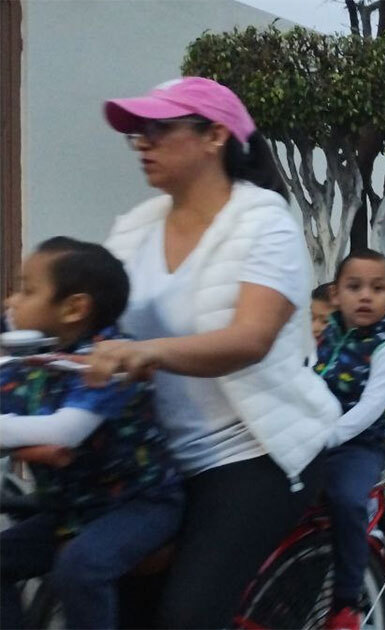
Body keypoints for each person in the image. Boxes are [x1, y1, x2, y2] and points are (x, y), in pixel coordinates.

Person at [92, 77, 339, 627]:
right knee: (97, 584)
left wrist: (145, 353)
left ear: (215, 135)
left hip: (252, 455)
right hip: (155, 458)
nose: (142, 142)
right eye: (136, 132)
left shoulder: (264, 221)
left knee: (187, 615)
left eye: (158, 128)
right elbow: (92, 317)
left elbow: (250, 339)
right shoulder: (133, 228)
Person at [0, 238, 183, 629]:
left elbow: (67, 431)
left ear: (74, 308)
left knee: (79, 567)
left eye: (28, 290)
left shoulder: (110, 359)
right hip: (72, 506)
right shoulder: (23, 359)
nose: (12, 301)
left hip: (139, 503)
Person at [314, 249, 385, 630]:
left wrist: (328, 435)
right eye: (354, 287)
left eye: (377, 287)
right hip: (312, 436)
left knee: (348, 501)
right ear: (336, 294)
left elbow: (370, 407)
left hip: (359, 444)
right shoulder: (326, 330)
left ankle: (346, 601)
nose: (365, 295)